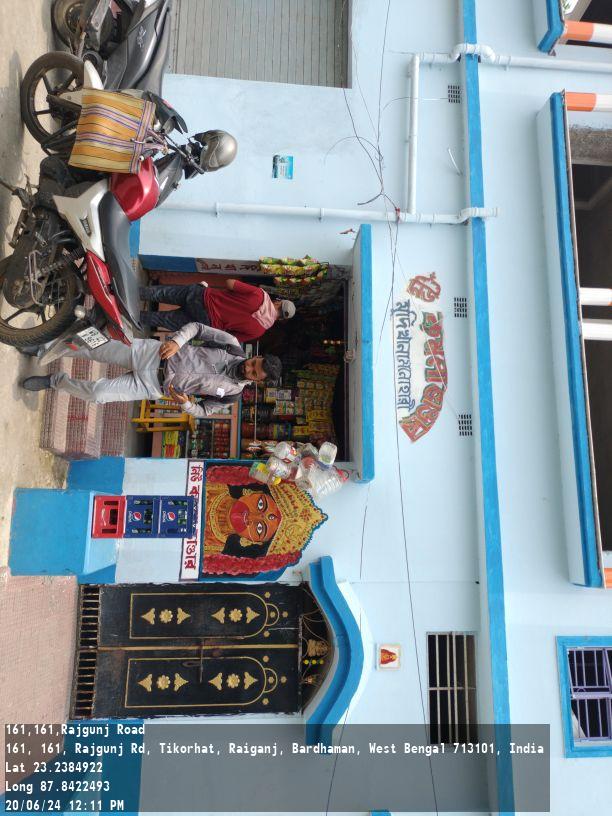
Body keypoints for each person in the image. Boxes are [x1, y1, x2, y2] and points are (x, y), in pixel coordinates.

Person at [21, 323, 282, 418]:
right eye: (254, 362)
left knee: (98, 394)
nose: (249, 367)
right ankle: (45, 347)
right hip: (152, 353)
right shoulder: (232, 345)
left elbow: (203, 411)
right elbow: (198, 328)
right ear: (256, 356)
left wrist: (186, 404)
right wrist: (177, 341)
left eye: (254, 373)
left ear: (257, 382)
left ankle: (55, 381)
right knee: (96, 348)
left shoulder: (233, 395)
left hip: (153, 386)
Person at [139, 278, 296, 341]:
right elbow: (230, 338)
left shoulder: (259, 294)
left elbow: (230, 283)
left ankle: (126, 292)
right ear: (280, 319)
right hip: (204, 323)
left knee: (161, 293)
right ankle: (130, 317)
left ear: (278, 302)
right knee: (160, 319)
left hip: (202, 297)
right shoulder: (259, 331)